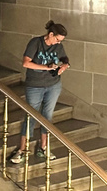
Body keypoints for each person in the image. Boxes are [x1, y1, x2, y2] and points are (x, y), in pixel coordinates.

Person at [9, 21, 69, 164]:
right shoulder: (35, 43)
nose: (58, 43)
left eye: (61, 41)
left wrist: (64, 66)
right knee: (31, 116)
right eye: (57, 39)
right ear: (50, 34)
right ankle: (22, 150)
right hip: (35, 85)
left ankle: (43, 147)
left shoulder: (58, 46)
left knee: (47, 116)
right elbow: (26, 63)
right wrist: (46, 67)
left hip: (53, 85)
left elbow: (64, 59)